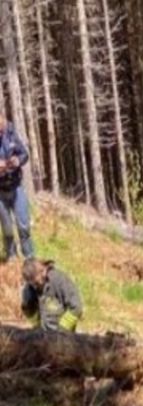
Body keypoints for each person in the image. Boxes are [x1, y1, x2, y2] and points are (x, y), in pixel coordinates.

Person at [0, 114, 33, 261]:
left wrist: (17, 160)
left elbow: (24, 154)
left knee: (23, 225)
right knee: (7, 229)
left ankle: (29, 257)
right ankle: (11, 257)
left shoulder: (12, 134)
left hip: (16, 186)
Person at [21, 258, 82, 333]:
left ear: (43, 272)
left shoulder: (59, 281)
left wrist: (62, 329)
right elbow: (29, 311)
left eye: (36, 283)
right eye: (32, 284)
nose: (35, 287)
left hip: (63, 335)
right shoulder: (29, 288)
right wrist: (37, 327)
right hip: (43, 335)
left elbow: (76, 307)